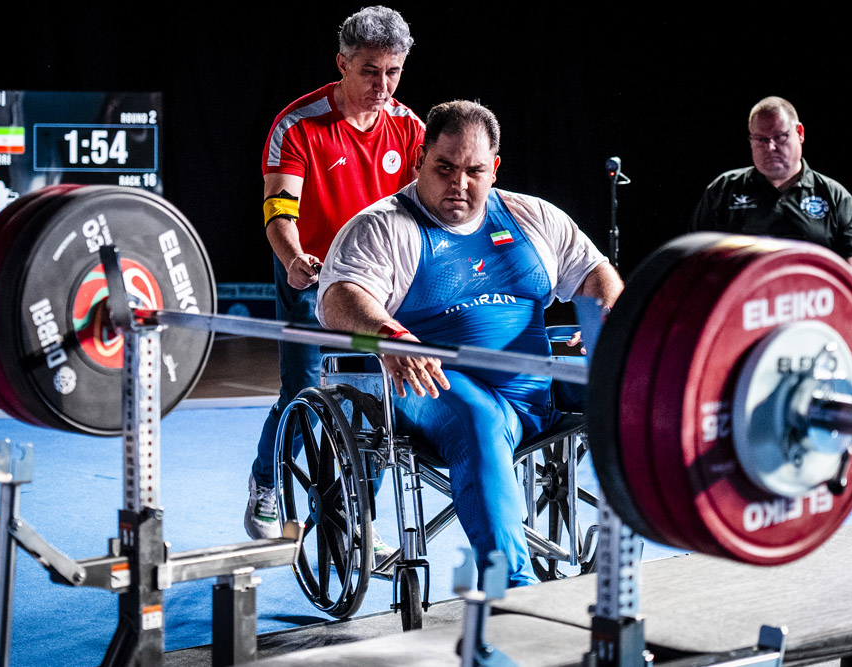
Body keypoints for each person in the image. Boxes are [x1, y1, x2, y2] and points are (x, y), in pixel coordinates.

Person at [316, 100, 623, 587]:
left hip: (536, 390)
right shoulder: (382, 227)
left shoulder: (533, 217)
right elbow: (339, 299)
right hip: (435, 385)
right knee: (478, 417)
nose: (459, 184)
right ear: (420, 158)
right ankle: (514, 591)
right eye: (445, 168)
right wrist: (391, 335)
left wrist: (602, 322)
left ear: (494, 168)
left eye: (474, 171)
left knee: (637, 380)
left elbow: (595, 273)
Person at [245, 6, 424, 561]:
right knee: (303, 391)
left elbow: (427, 208)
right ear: (341, 62)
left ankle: (356, 519)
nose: (383, 85)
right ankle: (268, 480)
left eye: (393, 71)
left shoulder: (411, 128)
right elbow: (278, 212)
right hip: (308, 268)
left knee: (372, 401)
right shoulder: (297, 125)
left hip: (373, 281)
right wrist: (296, 258)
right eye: (371, 71)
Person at [689, 96, 852, 279]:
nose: (771, 147)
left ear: (799, 133)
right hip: (741, 301)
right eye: (761, 139)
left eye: (779, 137)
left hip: (809, 302)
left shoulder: (835, 196)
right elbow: (694, 251)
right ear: (751, 140)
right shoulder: (724, 189)